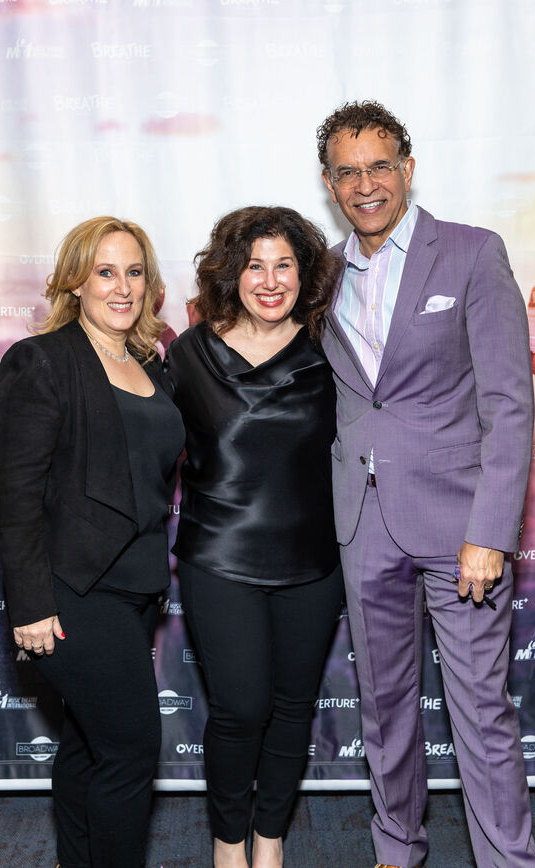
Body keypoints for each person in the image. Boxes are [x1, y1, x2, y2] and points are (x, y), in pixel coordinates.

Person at [316, 101, 535, 868]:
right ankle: (396, 850)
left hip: (460, 527)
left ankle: (509, 859)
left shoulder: (473, 253)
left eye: (380, 166)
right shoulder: (321, 273)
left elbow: (509, 404)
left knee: (481, 712)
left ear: (407, 169)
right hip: (363, 524)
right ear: (329, 182)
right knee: (383, 710)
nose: (365, 184)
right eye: (347, 171)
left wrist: (491, 532)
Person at [0, 216, 184, 868]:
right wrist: (29, 605)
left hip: (134, 590)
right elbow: (17, 495)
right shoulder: (44, 360)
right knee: (129, 750)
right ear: (76, 281)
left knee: (88, 747)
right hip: (72, 592)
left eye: (134, 272)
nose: (122, 287)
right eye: (106, 271)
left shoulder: (149, 362)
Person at [164, 206, 344, 868]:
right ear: (232, 273)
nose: (269, 281)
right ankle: (226, 841)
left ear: (306, 274)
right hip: (219, 558)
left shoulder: (333, 350)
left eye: (284, 266)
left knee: (294, 709)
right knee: (240, 708)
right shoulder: (190, 352)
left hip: (315, 562)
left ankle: (268, 842)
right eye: (254, 266)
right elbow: (145, 445)